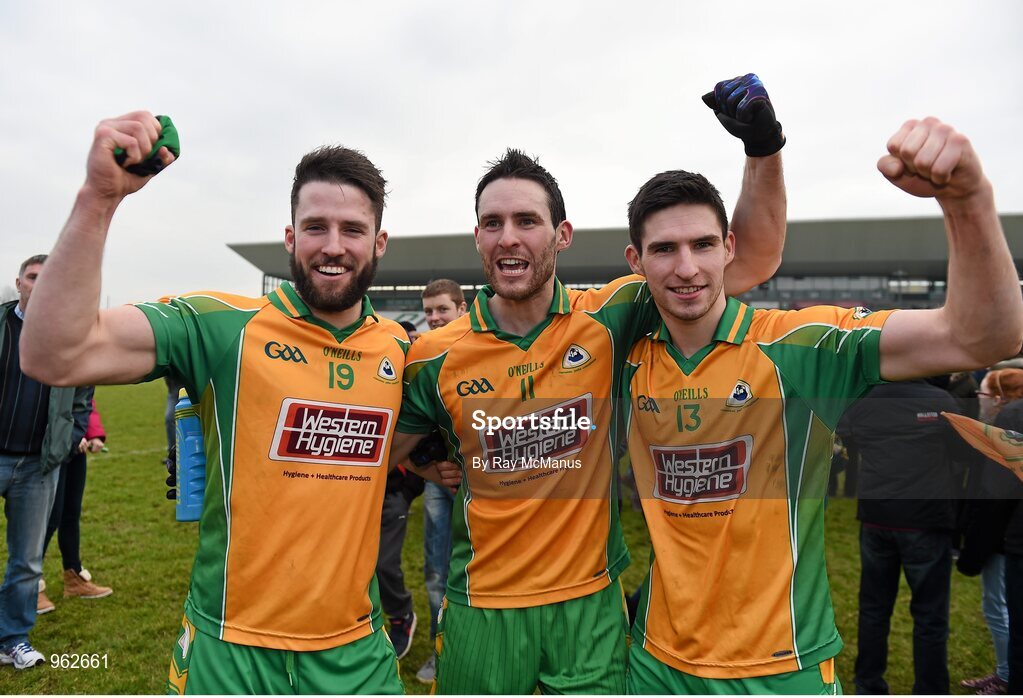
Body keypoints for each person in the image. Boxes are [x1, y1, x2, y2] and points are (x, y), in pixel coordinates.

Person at [19, 114, 449, 693]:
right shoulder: (222, 325)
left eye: (352, 229)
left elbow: (395, 450)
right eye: (315, 227)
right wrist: (99, 198)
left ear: (379, 242)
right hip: (231, 650)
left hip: (357, 653)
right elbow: (54, 354)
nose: (333, 246)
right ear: (290, 237)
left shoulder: (405, 352)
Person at [389, 73, 788, 693]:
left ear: (562, 235)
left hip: (590, 607)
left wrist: (762, 149)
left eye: (527, 220)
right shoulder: (433, 354)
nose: (509, 236)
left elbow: (753, 260)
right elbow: (387, 449)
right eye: (492, 223)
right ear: (477, 239)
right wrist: (433, 460)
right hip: (483, 609)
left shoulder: (609, 317)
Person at [619, 116, 1023, 693]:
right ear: (636, 261)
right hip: (653, 664)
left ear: (728, 247)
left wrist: (968, 200)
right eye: (664, 250)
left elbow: (981, 338)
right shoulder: (621, 352)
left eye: (703, 244)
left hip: (783, 668)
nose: (687, 268)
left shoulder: (802, 344)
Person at [838, 377, 968, 694]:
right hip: (922, 520)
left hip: (879, 518)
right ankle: (929, 689)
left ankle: (868, 684)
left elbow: (847, 442)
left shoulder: (863, 400)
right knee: (929, 615)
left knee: (874, 609)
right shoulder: (941, 401)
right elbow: (963, 453)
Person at [1, 255, 92, 670]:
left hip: (39, 466)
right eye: (34, 277)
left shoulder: (71, 338)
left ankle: (12, 639)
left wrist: (68, 439)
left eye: (49, 278)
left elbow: (82, 399)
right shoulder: (2, 327)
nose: (40, 285)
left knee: (27, 560)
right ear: (19, 283)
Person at [956, 368, 1023, 695]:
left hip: (1008, 538)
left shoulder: (1011, 419)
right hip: (1007, 534)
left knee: (1001, 608)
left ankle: (1008, 675)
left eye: (983, 395)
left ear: (998, 398)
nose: (979, 401)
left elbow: (997, 494)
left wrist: (973, 552)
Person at [414, 278, 466, 684]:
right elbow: (399, 430)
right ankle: (438, 650)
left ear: (461, 310)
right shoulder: (419, 358)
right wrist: (426, 469)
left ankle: (473, 647)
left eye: (442, 310)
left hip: (484, 486)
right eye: (429, 311)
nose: (434, 318)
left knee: (483, 570)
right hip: (437, 485)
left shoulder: (481, 351)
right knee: (436, 571)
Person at [38, 395, 113, 615]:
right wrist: (68, 435)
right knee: (50, 517)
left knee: (71, 513)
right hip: (51, 446)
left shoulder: (77, 361)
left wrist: (93, 433)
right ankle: (29, 585)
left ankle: (74, 577)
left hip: (75, 446)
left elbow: (84, 397)